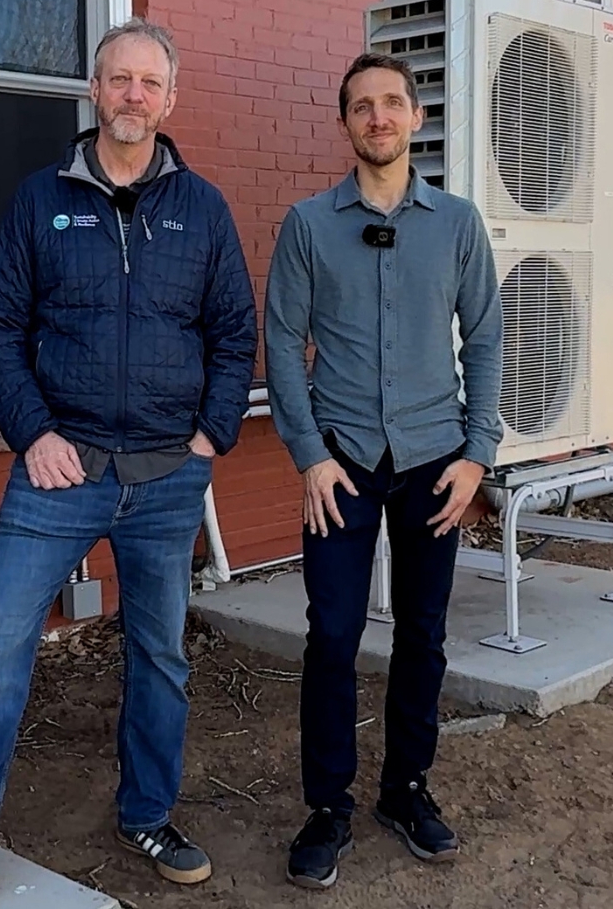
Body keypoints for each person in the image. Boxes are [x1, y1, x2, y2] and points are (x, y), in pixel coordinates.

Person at [0, 18, 258, 909]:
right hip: (54, 472)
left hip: (164, 479)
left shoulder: (204, 210)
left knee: (160, 654)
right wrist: (33, 431)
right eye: (118, 80)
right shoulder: (39, 201)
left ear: (170, 100)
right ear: (94, 91)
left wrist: (209, 436)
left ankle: (147, 812)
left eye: (149, 83)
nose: (133, 96)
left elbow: (233, 334)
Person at [262, 50, 503, 888]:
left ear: (416, 118)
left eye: (392, 103)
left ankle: (406, 788)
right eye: (362, 106)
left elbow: (487, 340)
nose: (378, 117)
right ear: (345, 123)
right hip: (342, 461)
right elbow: (283, 346)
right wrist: (308, 456)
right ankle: (327, 805)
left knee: (423, 633)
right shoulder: (307, 224)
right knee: (331, 634)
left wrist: (479, 453)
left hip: (437, 461)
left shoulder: (459, 223)